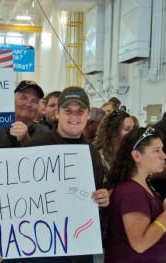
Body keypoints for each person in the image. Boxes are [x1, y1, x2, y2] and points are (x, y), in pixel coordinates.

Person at [21, 86, 109, 263]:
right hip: (39, 249)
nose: (74, 117)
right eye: (68, 111)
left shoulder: (91, 152)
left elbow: (96, 193)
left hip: (78, 247)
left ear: (88, 114)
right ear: (58, 113)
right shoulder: (34, 147)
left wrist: (103, 197)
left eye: (80, 111)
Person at [105, 127, 166, 262]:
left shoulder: (143, 185)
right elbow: (140, 244)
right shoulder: (131, 192)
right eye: (157, 151)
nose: (164, 156)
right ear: (137, 156)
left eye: (162, 149)